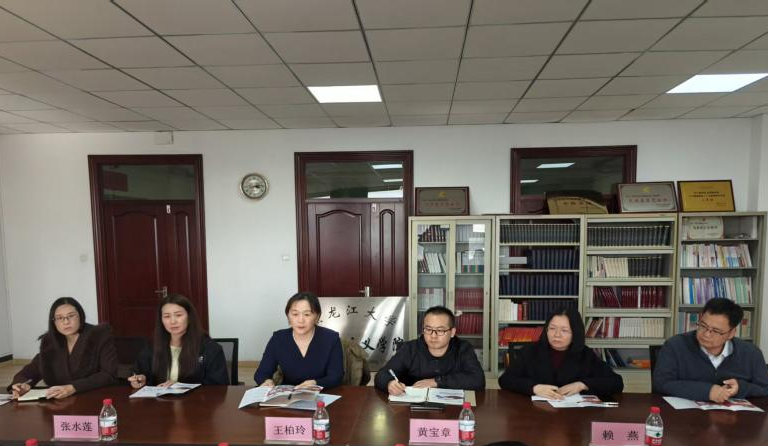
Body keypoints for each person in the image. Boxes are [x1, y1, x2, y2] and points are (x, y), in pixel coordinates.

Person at [653, 298, 768, 402]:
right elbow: (661, 383)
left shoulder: (751, 353)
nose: (706, 334)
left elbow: (764, 388)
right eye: (703, 326)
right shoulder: (675, 346)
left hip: (734, 417)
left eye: (716, 331)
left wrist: (740, 388)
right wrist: (707, 391)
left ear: (731, 333)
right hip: (685, 416)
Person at [498, 307, 623, 398]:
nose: (557, 335)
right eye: (552, 328)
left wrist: (583, 384)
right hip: (535, 415)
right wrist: (534, 388)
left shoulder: (586, 354)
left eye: (564, 330)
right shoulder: (530, 351)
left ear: (575, 333)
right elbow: (505, 380)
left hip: (571, 418)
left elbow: (617, 383)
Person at [8, 297, 117, 399]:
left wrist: (74, 387)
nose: (66, 322)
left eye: (71, 316)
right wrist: (21, 384)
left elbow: (108, 374)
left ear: (80, 316)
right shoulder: (50, 342)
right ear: (54, 321)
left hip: (95, 398)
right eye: (59, 318)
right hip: (59, 402)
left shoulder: (99, 335)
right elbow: (30, 371)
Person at [375, 306, 485, 394]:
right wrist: (389, 384)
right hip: (413, 406)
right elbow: (382, 374)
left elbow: (478, 380)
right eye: (428, 329)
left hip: (451, 408)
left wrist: (437, 382)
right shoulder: (410, 349)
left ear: (452, 332)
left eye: (440, 330)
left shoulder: (463, 348)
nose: (433, 336)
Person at [129, 294, 228, 388]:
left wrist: (181, 386)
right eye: (167, 316)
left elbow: (219, 386)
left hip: (196, 400)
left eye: (178, 315)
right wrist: (141, 379)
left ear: (189, 316)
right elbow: (139, 372)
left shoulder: (210, 349)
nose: (173, 321)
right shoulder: (153, 346)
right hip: (159, 400)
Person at [254, 291, 343, 388]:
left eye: (307, 314)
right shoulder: (278, 338)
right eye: (295, 314)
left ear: (317, 317)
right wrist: (266, 381)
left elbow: (336, 376)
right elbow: (261, 373)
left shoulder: (331, 339)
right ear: (288, 316)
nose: (301, 320)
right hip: (288, 394)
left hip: (322, 393)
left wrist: (316, 383)